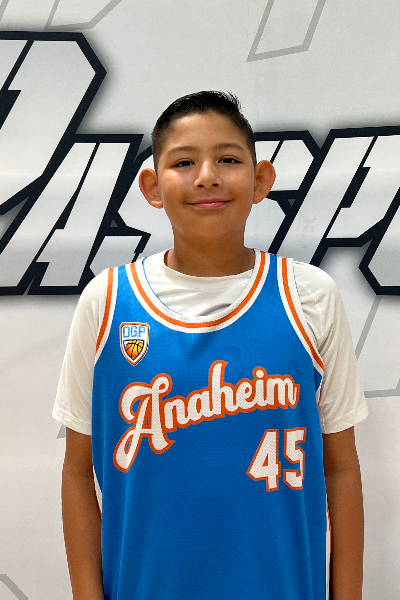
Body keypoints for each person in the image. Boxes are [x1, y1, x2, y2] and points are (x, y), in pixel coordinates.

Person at [53, 91, 368, 600]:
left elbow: (342, 468)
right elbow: (76, 471)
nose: (207, 176)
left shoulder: (308, 295)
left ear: (261, 180)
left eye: (228, 159)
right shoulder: (106, 301)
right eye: (184, 162)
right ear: (152, 187)